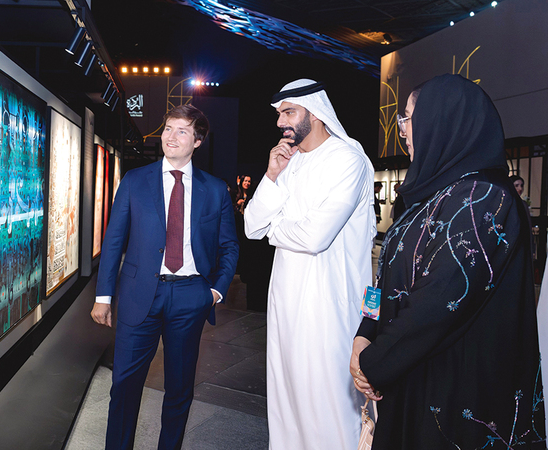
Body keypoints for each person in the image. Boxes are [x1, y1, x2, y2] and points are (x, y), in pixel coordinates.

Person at [351, 74, 544, 449]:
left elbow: (440, 300)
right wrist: (365, 332)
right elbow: (385, 276)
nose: (402, 131)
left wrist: (373, 362)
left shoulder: (485, 198)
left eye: (408, 118)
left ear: (441, 121)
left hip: (453, 390)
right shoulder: (426, 197)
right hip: (406, 367)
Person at [91, 104, 239, 450]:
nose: (171, 137)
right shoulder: (135, 181)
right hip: (138, 294)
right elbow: (114, 240)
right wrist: (103, 296)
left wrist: (215, 291)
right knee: (124, 385)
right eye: (168, 128)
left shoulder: (214, 189)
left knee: (179, 389)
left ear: (198, 141)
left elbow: (229, 246)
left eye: (182, 131)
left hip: (190, 297)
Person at [244, 78, 375, 449]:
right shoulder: (290, 162)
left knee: (329, 404)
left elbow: (316, 237)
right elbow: (252, 226)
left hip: (329, 307)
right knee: (287, 401)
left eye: (289, 112)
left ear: (315, 113)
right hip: (285, 304)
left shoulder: (348, 159)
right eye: (279, 114)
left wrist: (276, 230)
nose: (280, 122)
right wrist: (272, 175)